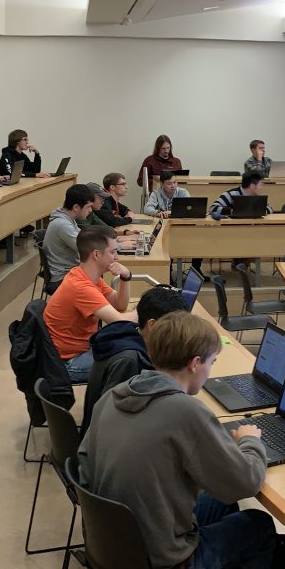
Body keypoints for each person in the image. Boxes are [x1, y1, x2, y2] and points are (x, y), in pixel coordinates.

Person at [78, 310, 276, 569]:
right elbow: (246, 480)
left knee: (219, 508)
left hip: (110, 555)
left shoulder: (113, 397)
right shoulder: (186, 412)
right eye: (212, 363)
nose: (211, 372)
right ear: (195, 363)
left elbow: (86, 470)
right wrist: (251, 439)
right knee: (259, 528)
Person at [81, 286, 189, 433]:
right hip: (106, 445)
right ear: (152, 325)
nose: (179, 334)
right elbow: (113, 418)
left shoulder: (128, 334)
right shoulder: (130, 361)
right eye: (175, 327)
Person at [44, 226, 137, 382]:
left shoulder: (87, 276)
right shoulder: (81, 287)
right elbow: (120, 322)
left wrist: (125, 277)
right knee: (131, 363)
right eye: (113, 252)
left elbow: (119, 305)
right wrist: (145, 309)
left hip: (81, 350)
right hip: (68, 362)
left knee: (130, 350)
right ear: (96, 254)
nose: (117, 257)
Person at [43, 183, 95, 286]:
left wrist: (116, 242)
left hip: (68, 272)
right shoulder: (63, 225)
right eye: (88, 207)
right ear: (76, 207)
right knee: (99, 272)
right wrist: (117, 246)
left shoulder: (68, 218)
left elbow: (85, 239)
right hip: (62, 278)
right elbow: (87, 248)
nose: (90, 210)